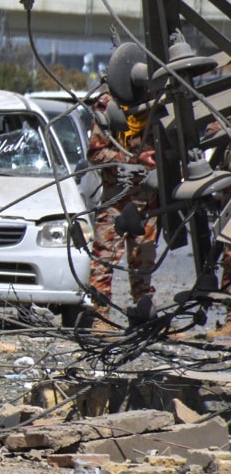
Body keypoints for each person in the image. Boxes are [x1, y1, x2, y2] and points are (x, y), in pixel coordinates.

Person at [87, 91, 158, 328]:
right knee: (104, 257)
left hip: (148, 196)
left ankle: (142, 317)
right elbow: (96, 153)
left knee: (143, 260)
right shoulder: (109, 104)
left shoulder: (159, 100)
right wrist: (133, 160)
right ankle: (100, 317)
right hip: (117, 196)